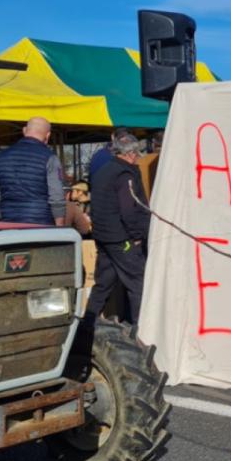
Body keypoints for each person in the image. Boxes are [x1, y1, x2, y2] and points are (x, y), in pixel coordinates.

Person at [84, 134, 151, 326]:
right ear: (130, 154)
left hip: (104, 237)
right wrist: (137, 236)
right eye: (137, 154)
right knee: (138, 283)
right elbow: (128, 210)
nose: (138, 157)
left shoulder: (103, 171)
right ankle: (140, 330)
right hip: (122, 239)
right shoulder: (124, 174)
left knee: (103, 284)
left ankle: (87, 323)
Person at [0, 117, 66, 225]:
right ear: (48, 135)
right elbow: (57, 196)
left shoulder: (1, 157)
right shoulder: (50, 157)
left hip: (9, 221)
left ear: (24, 130)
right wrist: (59, 225)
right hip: (41, 222)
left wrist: (3, 214)